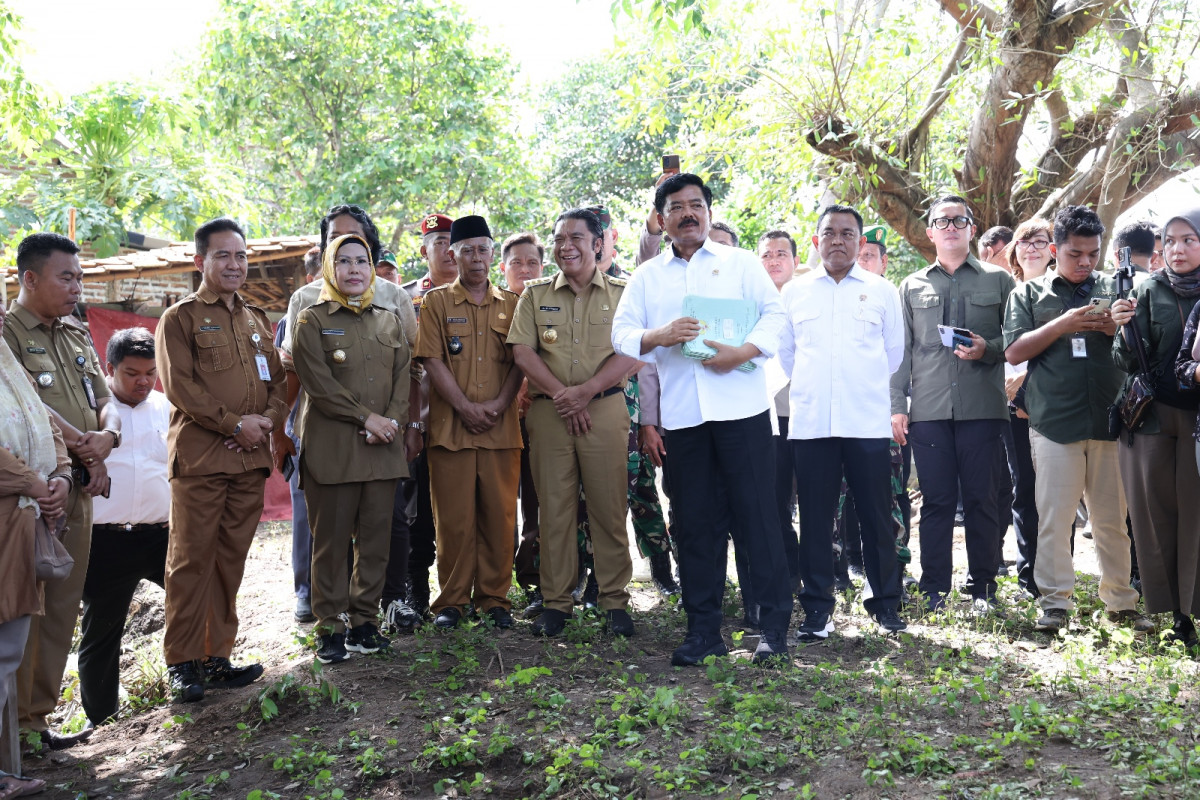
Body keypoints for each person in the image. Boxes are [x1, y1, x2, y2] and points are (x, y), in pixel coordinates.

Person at [612, 173, 794, 665]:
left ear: (709, 213)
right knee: (694, 525)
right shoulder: (648, 277)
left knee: (760, 519)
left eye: (697, 204)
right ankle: (703, 632)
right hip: (685, 421)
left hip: (744, 413)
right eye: (677, 206)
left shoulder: (740, 264)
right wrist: (660, 334)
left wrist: (742, 353)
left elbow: (774, 318)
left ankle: (774, 629)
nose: (688, 213)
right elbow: (622, 336)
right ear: (661, 219)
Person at [155, 217, 288, 701]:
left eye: (241, 256)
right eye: (223, 256)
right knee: (191, 560)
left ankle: (216, 657)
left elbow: (278, 384)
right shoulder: (181, 318)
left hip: (249, 461)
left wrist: (265, 423)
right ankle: (183, 662)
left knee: (230, 559)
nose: (235, 265)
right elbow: (180, 387)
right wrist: (235, 423)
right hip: (202, 459)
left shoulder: (255, 319)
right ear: (200, 262)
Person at [1003, 205, 1151, 633]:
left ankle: (1121, 602)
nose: (1085, 263)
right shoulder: (1028, 296)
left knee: (1112, 520)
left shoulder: (1117, 288)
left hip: (1111, 422)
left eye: (1092, 254)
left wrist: (1118, 327)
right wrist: (1064, 324)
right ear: (1054, 250)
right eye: (1075, 254)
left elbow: (1142, 344)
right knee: (1054, 517)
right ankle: (1055, 604)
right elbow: (1014, 351)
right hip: (1054, 423)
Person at [278, 206, 421, 629]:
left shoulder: (390, 312)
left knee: (379, 536)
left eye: (361, 259)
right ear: (326, 260)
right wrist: (368, 420)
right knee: (331, 539)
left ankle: (365, 623)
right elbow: (313, 381)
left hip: (383, 443)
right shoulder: (307, 313)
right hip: (332, 441)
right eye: (341, 257)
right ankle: (330, 625)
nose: (353, 268)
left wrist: (394, 422)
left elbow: (405, 373)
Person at [4, 232, 120, 749]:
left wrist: (108, 435)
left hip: (75, 485)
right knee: (27, 605)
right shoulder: (6, 334)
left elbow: (104, 395)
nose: (76, 287)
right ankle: (14, 729)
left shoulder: (75, 334)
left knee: (64, 601)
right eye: (65, 277)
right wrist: (86, 448)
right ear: (30, 278)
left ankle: (38, 720)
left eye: (79, 277)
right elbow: (30, 406)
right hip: (28, 497)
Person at [780, 204, 907, 639]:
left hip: (867, 422)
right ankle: (817, 610)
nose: (838, 240)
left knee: (876, 516)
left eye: (848, 233)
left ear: (861, 242)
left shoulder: (881, 291)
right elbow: (786, 356)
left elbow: (894, 354)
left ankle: (886, 604)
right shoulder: (794, 293)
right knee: (814, 520)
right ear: (815, 242)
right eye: (829, 233)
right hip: (813, 424)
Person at [509, 209, 638, 637]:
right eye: (560, 238)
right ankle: (556, 603)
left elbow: (635, 351)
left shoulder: (624, 293)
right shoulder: (534, 294)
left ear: (598, 243)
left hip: (604, 408)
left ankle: (615, 602)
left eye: (577, 237)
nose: (567, 245)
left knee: (608, 506)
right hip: (549, 412)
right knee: (554, 509)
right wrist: (565, 394)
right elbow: (523, 352)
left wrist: (584, 392)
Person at [890, 196, 1014, 613]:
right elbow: (901, 353)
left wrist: (988, 349)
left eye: (959, 220)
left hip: (983, 408)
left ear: (971, 229)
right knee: (938, 501)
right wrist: (897, 405)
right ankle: (934, 588)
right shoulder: (911, 285)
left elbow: (1015, 342)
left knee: (982, 500)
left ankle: (983, 588)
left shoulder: (998, 281)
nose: (950, 227)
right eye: (941, 221)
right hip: (928, 411)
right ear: (929, 232)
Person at [414, 215, 523, 630]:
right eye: (466, 250)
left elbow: (520, 361)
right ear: (450, 254)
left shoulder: (513, 305)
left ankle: (495, 599)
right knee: (454, 521)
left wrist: (497, 404)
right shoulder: (437, 302)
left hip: (501, 428)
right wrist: (463, 406)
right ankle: (452, 602)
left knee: (499, 517)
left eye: (483, 249)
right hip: (451, 429)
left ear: (493, 255)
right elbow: (431, 359)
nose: (475, 257)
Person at [78, 327, 170, 726]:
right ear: (109, 368)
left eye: (150, 371)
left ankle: (199, 681)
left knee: (196, 606)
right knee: (102, 632)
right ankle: (103, 721)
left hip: (164, 535)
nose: (143, 381)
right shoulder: (90, 416)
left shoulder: (168, 407)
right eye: (132, 372)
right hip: (106, 541)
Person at [1119, 207, 1200, 644]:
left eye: (1189, 239)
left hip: (1197, 418)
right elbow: (1125, 360)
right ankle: (1173, 615)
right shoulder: (1147, 290)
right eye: (1170, 241)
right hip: (1150, 417)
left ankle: (1193, 606)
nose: (1178, 249)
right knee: (1154, 516)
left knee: (1196, 513)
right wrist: (1124, 329)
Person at [0, 302, 71, 798]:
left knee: (7, 650)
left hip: (22, 522)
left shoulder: (6, 355)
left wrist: (62, 475)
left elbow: (42, 421)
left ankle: (6, 769)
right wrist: (34, 481)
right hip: (12, 516)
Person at [402, 212, 457, 617]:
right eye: (439, 242)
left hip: (466, 418)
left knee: (463, 508)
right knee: (415, 509)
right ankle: (415, 591)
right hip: (419, 418)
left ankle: (462, 590)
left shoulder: (479, 294)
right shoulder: (403, 299)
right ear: (424, 251)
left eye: (453, 242)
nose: (449, 250)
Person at [1001, 217, 1055, 597]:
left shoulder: (1066, 293)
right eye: (1024, 241)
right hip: (1012, 407)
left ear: (1053, 249)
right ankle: (1028, 576)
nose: (1031, 248)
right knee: (1024, 489)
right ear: (1014, 251)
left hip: (1057, 407)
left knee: (1057, 492)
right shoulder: (1006, 293)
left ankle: (1056, 572)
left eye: (1040, 241)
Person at [274, 246, 321, 623]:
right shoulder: (293, 317)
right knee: (305, 514)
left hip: (354, 429)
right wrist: (280, 430)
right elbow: (282, 382)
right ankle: (304, 592)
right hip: (303, 426)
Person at [502, 232, 547, 616]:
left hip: (537, 424)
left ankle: (534, 583)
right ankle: (492, 586)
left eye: (532, 262)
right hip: (495, 425)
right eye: (517, 262)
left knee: (537, 506)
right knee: (498, 509)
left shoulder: (551, 302)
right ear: (504, 268)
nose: (525, 269)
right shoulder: (494, 306)